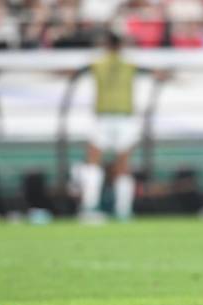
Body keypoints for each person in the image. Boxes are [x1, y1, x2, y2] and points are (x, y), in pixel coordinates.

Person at [75, 31, 168, 222]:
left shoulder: (97, 64)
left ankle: (90, 206)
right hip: (125, 119)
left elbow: (75, 71)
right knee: (123, 166)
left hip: (103, 117)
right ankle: (123, 210)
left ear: (106, 45)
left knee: (93, 161)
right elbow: (154, 73)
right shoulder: (129, 65)